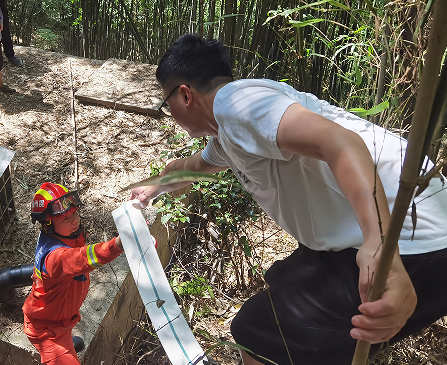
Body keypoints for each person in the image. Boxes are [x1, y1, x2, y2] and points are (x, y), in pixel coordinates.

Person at [130, 33, 447, 365]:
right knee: (282, 279)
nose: (171, 113)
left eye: (166, 103)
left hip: (413, 240)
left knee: (256, 333)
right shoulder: (229, 131)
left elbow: (342, 143)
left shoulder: (238, 105)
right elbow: (193, 167)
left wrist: (381, 244)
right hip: (397, 233)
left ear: (184, 95)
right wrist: (154, 186)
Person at [23, 182, 124, 364]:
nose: (75, 220)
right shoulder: (55, 257)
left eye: (74, 213)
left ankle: (68, 345)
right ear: (48, 224)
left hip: (61, 321)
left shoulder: (62, 237)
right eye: (65, 219)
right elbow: (82, 259)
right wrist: (117, 245)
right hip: (48, 332)